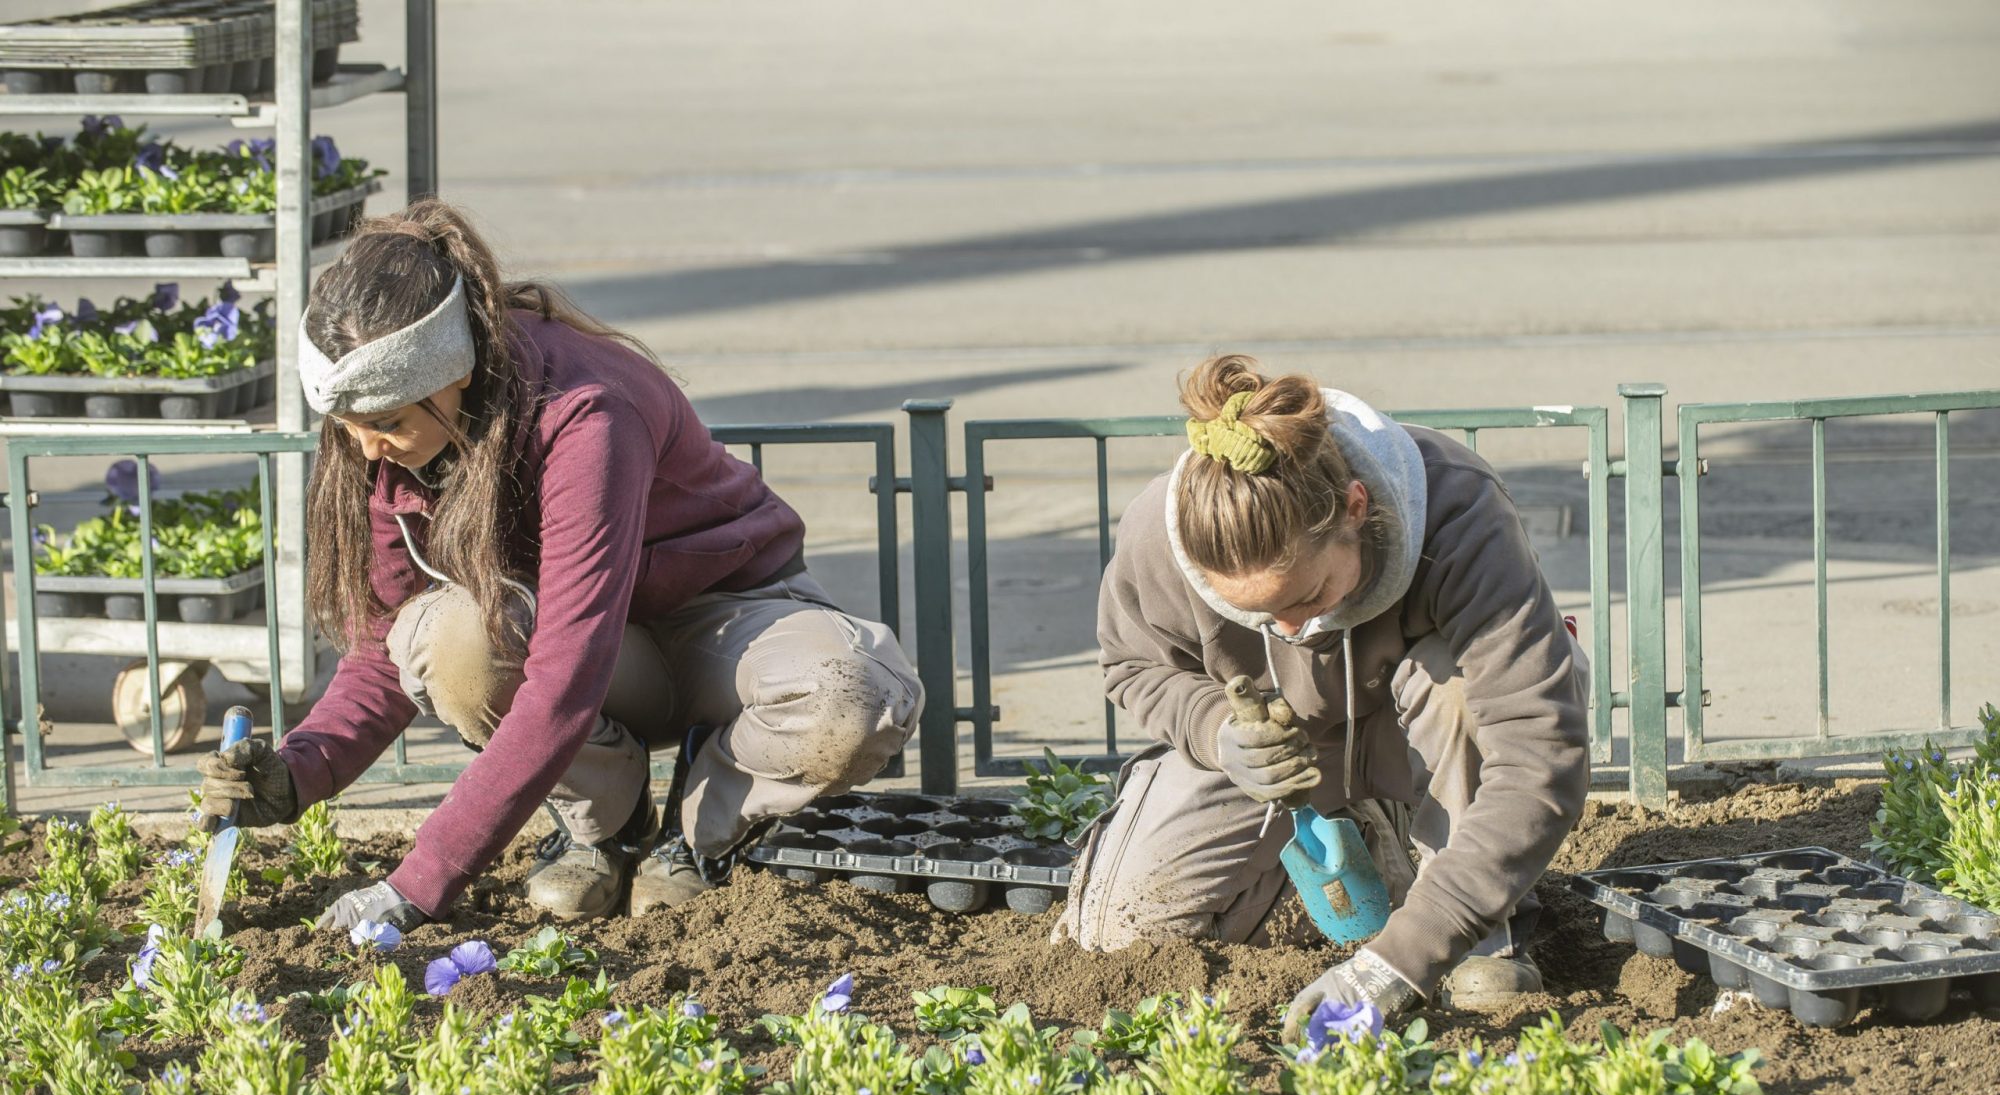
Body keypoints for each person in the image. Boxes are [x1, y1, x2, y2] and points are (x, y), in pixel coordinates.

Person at [195, 199, 922, 931]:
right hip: (607, 656)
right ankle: (606, 828)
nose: (366, 448)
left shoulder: (585, 412)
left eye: (387, 423)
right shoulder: (388, 441)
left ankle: (701, 833)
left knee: (852, 696)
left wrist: (417, 885)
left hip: (727, 623)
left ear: (454, 372)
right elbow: (382, 648)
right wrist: (299, 771)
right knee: (442, 639)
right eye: (349, 427)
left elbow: (565, 679)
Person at [1051, 354, 1589, 1031]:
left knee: (1451, 686)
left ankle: (1480, 929)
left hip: (1418, 737)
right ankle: (1377, 846)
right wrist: (1216, 730)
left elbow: (1537, 754)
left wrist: (1398, 962)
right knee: (1122, 932)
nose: (1289, 630)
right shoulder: (1159, 535)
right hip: (1283, 756)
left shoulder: (1457, 511)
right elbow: (1133, 666)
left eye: (1307, 596)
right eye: (1252, 613)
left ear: (1356, 510)